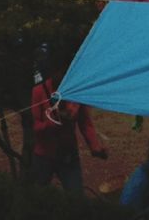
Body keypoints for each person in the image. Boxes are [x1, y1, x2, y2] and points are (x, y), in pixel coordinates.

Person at [31, 66, 108, 194]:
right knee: (38, 196)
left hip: (68, 153)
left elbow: (85, 123)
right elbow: (35, 126)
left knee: (75, 196)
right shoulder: (39, 91)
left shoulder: (76, 93)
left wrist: (95, 147)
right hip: (44, 154)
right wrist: (53, 123)